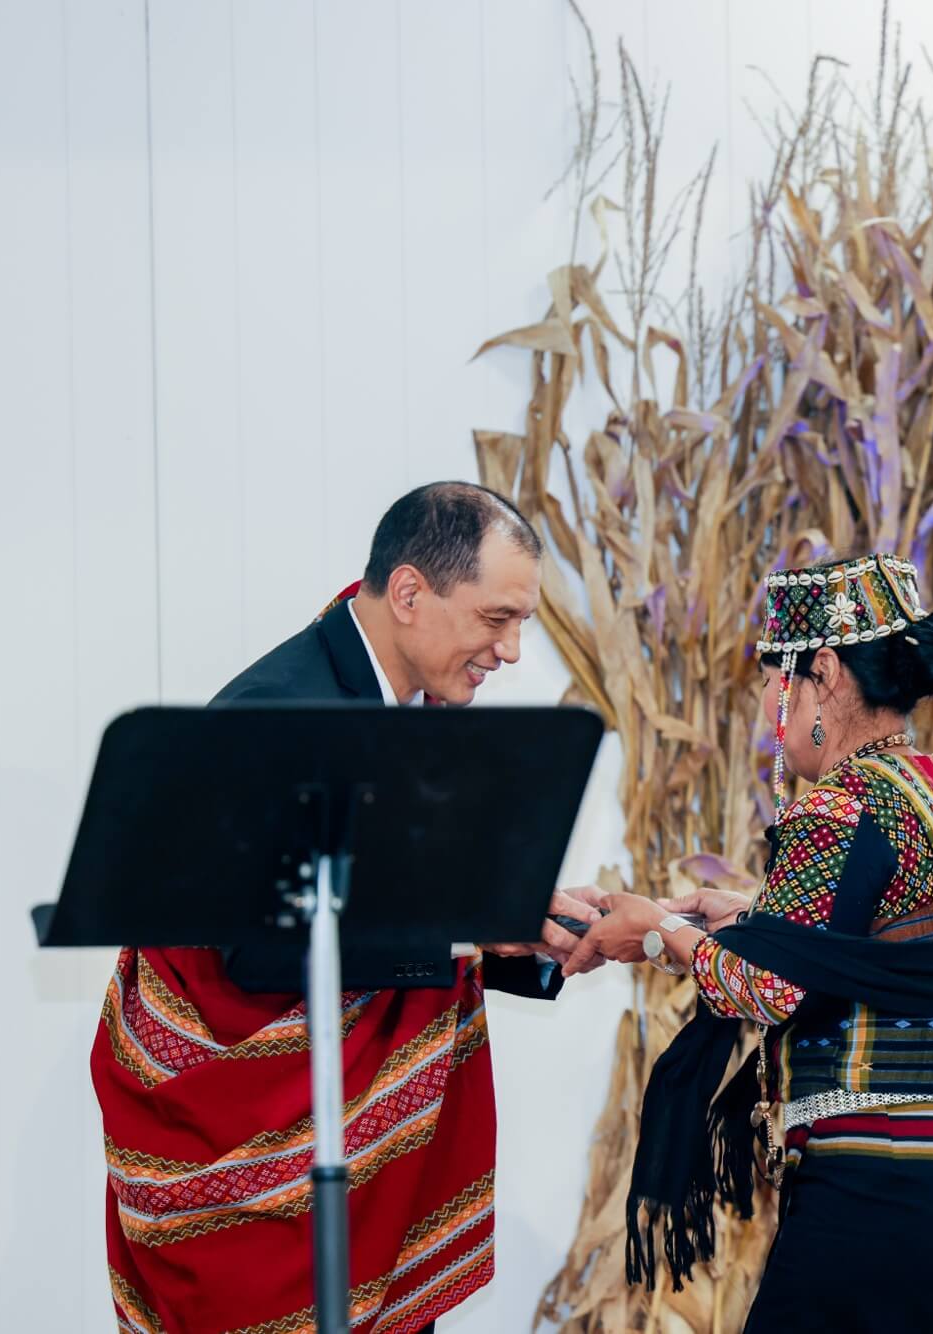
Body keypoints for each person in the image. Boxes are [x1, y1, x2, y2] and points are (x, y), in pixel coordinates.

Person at [92, 481, 602, 1334]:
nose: (512, 651)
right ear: (409, 593)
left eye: (522, 623)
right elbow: (256, 953)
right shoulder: (277, 715)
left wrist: (536, 926)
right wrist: (464, 927)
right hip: (259, 1156)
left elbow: (406, 901)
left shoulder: (413, 706)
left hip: (361, 1152)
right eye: (497, 618)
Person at [563, 552, 933, 1333]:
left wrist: (659, 932)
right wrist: (750, 919)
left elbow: (770, 988)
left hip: (881, 1190)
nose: (766, 711)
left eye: (770, 681)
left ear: (823, 671)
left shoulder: (841, 804)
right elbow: (878, 955)